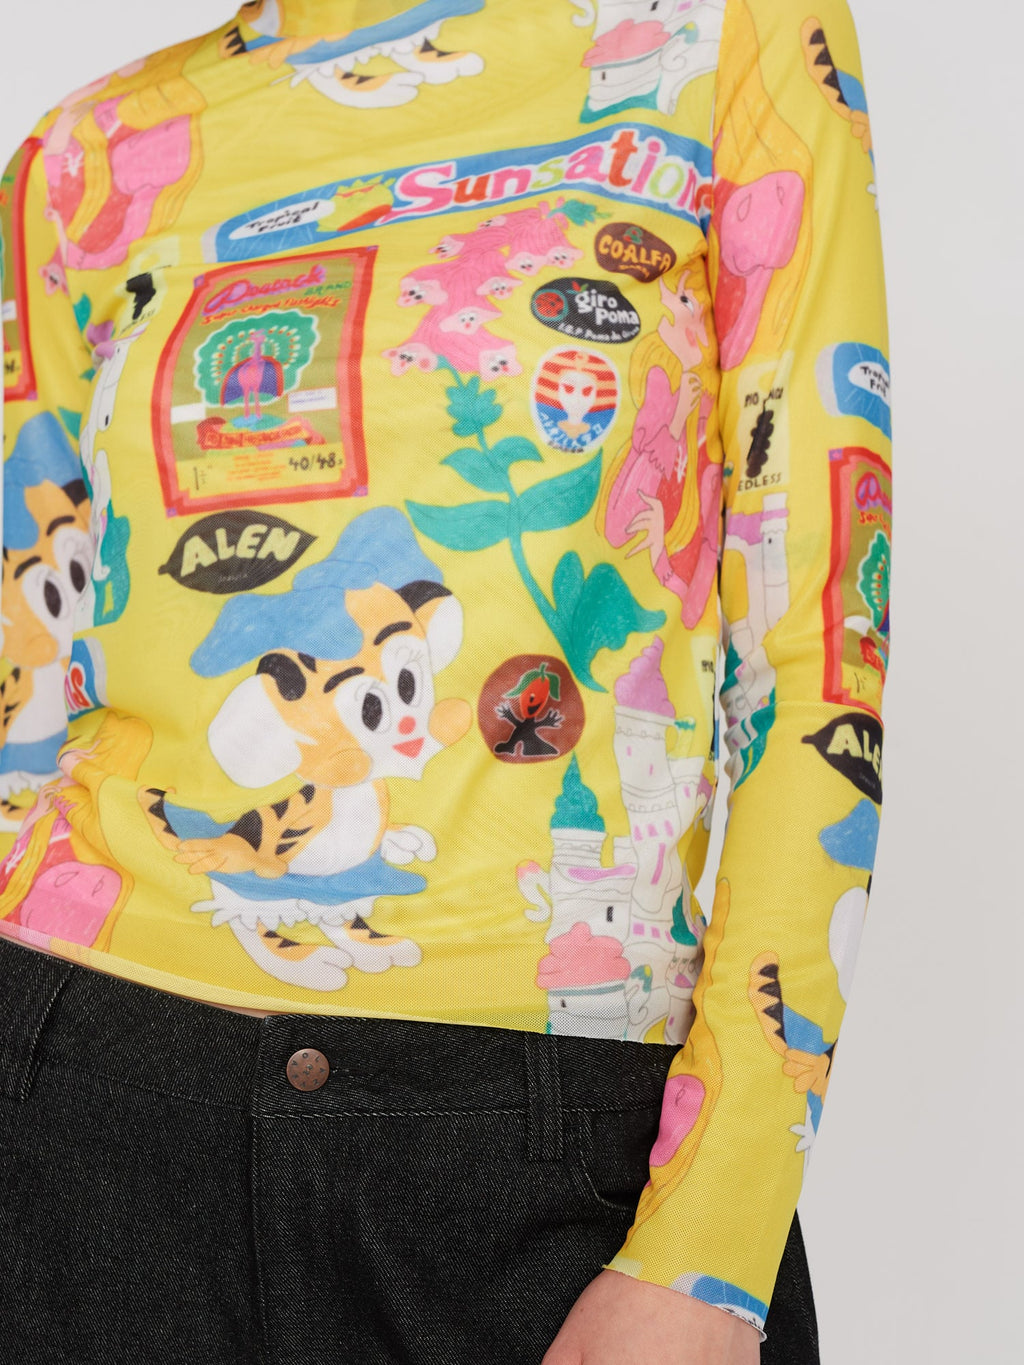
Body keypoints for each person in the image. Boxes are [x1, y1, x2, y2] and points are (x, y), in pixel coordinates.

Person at [0, 1, 891, 1361]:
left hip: (546, 1142)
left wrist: (711, 1249)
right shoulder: (84, 156)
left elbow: (819, 644)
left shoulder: (719, 39)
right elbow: (24, 678)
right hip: (85, 1104)